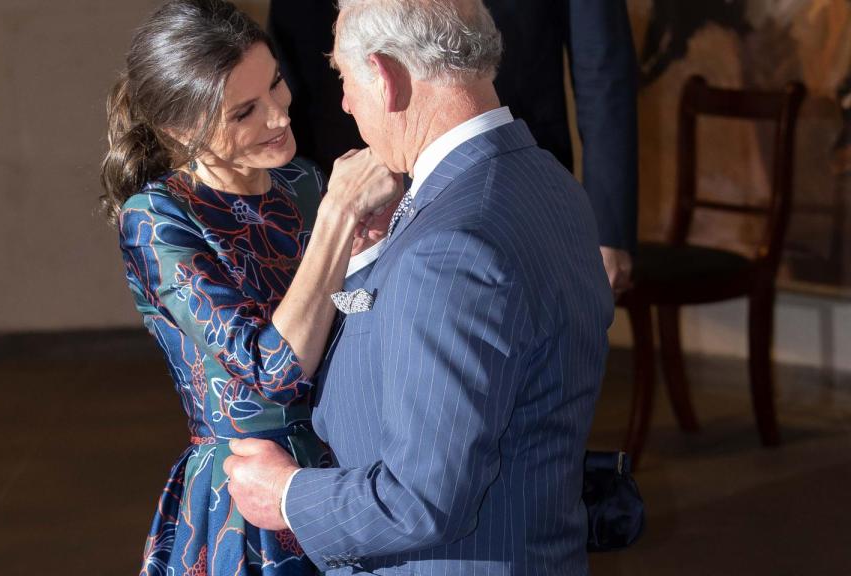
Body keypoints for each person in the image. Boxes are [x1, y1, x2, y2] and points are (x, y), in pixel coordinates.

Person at [224, 1, 615, 574]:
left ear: (384, 76)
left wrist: (285, 496)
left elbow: (419, 502)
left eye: (343, 78)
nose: (345, 102)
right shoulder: (548, 183)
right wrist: (378, 255)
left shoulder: (450, 246)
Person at [99, 1, 400, 574]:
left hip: (349, 473)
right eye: (245, 112)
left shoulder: (302, 181)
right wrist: (338, 218)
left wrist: (370, 256)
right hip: (251, 495)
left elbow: (347, 318)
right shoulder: (156, 217)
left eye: (278, 84)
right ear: (178, 129)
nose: (280, 117)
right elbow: (275, 374)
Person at [268, 0, 639, 295]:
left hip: (509, 187)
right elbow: (294, 43)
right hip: (350, 177)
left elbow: (602, 65)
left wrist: (607, 226)